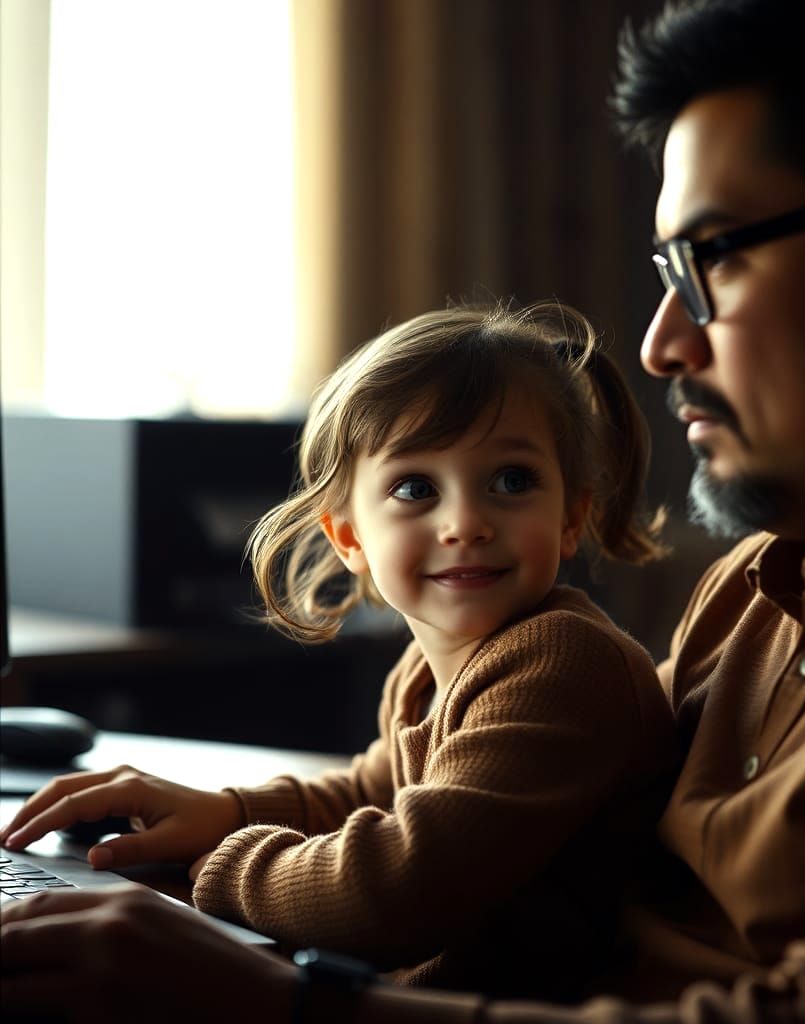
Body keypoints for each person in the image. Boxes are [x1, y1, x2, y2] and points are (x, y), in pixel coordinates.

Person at [2, 0, 805, 1021]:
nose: (664, 343)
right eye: (666, 272)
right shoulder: (751, 590)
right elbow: (401, 786)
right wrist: (219, 814)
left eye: (713, 258)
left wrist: (269, 986)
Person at [0, 302, 676, 1001]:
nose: (466, 523)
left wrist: (214, 860)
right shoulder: (427, 669)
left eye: (511, 481)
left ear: (571, 516)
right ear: (349, 538)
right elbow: (366, 793)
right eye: (415, 488)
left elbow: (399, 888)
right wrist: (225, 809)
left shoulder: (561, 662)